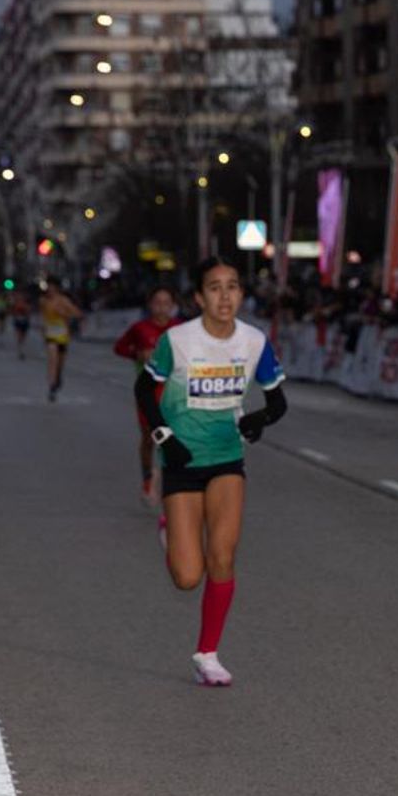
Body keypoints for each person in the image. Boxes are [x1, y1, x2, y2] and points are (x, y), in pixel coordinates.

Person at [134, 259, 287, 687]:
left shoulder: (254, 341)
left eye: (233, 286)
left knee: (223, 554)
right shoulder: (177, 341)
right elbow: (145, 390)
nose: (225, 296)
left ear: (241, 294)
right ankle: (168, 530)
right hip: (182, 461)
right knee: (187, 577)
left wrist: (259, 420)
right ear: (199, 297)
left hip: (226, 460)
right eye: (215, 288)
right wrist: (165, 436)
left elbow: (278, 401)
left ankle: (208, 654)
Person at [115, 286, 179, 505]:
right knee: (149, 438)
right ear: (150, 305)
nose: (162, 308)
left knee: (169, 438)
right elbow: (119, 347)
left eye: (166, 303)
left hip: (173, 392)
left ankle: (168, 484)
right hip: (148, 392)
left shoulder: (179, 329)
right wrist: (138, 355)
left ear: (172, 306)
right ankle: (147, 478)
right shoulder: (140, 328)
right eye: (157, 303)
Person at [40, 277, 82, 402]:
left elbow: (78, 314)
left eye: (52, 289)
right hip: (50, 335)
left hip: (63, 335)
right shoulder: (43, 301)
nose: (50, 292)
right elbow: (43, 316)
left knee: (60, 363)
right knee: (52, 359)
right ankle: (52, 386)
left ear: (57, 290)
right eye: (48, 289)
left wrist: (63, 314)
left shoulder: (63, 301)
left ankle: (58, 377)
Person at [10, 288, 33, 359]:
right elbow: (12, 311)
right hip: (18, 321)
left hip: (25, 321)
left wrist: (26, 313)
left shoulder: (27, 303)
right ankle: (21, 350)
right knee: (19, 335)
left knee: (23, 336)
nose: (20, 297)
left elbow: (29, 312)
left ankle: (22, 347)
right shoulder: (15, 302)